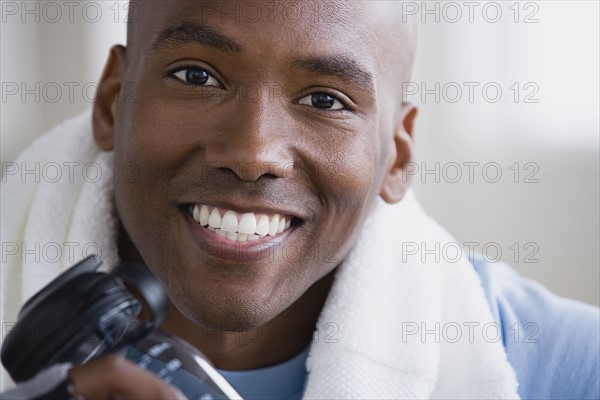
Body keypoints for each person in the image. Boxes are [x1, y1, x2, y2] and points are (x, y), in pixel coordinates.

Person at [1, 1, 598, 399]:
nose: (253, 151)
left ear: (397, 155)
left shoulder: (565, 365)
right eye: (196, 76)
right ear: (111, 102)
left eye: (325, 100)